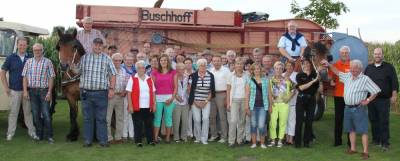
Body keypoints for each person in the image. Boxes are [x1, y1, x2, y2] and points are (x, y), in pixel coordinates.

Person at [322, 59, 380, 160]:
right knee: (351, 129)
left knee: (363, 131)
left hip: (359, 108)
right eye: (352, 68)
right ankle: (353, 149)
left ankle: (365, 152)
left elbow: (376, 90)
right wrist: (329, 64)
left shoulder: (365, 79)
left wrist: (368, 100)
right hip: (347, 108)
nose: (353, 70)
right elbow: (337, 72)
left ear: (360, 69)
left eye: (355, 68)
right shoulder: (348, 75)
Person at [80, 38, 116, 147]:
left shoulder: (107, 59)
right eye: (96, 45)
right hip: (86, 92)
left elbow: (113, 75)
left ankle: (103, 141)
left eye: (100, 45)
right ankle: (88, 141)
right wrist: (71, 66)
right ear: (92, 45)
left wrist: (111, 89)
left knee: (101, 118)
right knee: (87, 118)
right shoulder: (84, 57)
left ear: (102, 47)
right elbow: (77, 71)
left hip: (101, 93)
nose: (98, 47)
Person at [0, 37, 38, 141]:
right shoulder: (11, 58)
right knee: (13, 112)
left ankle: (32, 132)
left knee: (28, 113)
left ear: (27, 46)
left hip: (28, 90)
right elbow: (2, 72)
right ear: (17, 45)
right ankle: (10, 133)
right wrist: (6, 87)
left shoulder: (31, 57)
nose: (22, 47)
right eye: (20, 45)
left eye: (24, 45)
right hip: (15, 90)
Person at [364, 48, 398, 151]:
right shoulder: (369, 68)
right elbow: (364, 82)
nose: (377, 56)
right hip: (371, 99)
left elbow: (394, 82)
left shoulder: (389, 67)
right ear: (373, 55)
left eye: (379, 54)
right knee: (373, 120)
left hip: (383, 99)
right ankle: (376, 139)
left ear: (382, 55)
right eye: (375, 54)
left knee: (383, 121)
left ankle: (385, 142)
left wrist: (394, 95)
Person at [22, 43, 55, 143]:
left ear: (42, 50)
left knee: (46, 114)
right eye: (35, 50)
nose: (37, 52)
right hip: (32, 91)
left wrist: (49, 92)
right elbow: (25, 77)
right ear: (33, 51)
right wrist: (25, 91)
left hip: (44, 91)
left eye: (39, 50)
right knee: (35, 115)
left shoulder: (48, 62)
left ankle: (49, 136)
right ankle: (39, 135)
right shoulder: (28, 62)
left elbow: (51, 77)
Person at [126, 60, 156, 147]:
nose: (141, 69)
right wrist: (130, 105)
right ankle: (138, 141)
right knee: (137, 124)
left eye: (142, 67)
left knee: (149, 125)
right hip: (136, 106)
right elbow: (128, 93)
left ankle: (150, 140)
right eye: (139, 68)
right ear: (136, 69)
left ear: (145, 69)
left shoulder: (149, 79)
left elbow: (153, 92)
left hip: (148, 106)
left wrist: (154, 104)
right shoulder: (132, 78)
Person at [188, 58, 216, 144]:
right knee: (196, 120)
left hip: (206, 101)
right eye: (201, 65)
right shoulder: (192, 76)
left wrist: (206, 101)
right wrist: (195, 101)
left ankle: (204, 138)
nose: (203, 67)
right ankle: (198, 137)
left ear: (206, 66)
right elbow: (189, 89)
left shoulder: (211, 75)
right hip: (195, 101)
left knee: (205, 119)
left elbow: (212, 90)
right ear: (197, 66)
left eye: (204, 65)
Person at [151, 54, 177, 143]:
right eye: (161, 60)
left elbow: (176, 87)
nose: (163, 62)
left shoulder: (173, 72)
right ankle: (155, 138)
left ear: (168, 61)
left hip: (169, 98)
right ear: (159, 62)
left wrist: (172, 98)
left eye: (165, 60)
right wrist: (154, 100)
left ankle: (167, 138)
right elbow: (152, 87)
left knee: (168, 118)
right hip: (157, 98)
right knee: (157, 118)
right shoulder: (155, 72)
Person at [295, 59, 320, 148]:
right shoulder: (299, 75)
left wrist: (318, 79)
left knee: (309, 122)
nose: (306, 65)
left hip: (311, 100)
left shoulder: (315, 75)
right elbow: (301, 88)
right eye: (304, 64)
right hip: (301, 99)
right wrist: (313, 81)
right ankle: (297, 143)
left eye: (307, 63)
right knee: (299, 121)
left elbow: (317, 89)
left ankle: (306, 142)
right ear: (302, 65)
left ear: (310, 64)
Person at [245, 63, 271, 149]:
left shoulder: (266, 80)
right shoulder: (249, 80)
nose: (257, 70)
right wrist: (246, 107)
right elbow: (247, 94)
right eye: (255, 69)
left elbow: (269, 94)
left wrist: (270, 106)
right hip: (252, 106)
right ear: (252, 70)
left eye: (258, 69)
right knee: (253, 125)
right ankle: (254, 143)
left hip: (263, 106)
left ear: (261, 70)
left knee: (261, 125)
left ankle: (262, 143)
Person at [329, 46, 351, 147]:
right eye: (343, 53)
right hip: (338, 95)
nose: (344, 54)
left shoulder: (353, 65)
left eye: (346, 53)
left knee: (350, 118)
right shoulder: (335, 65)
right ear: (340, 54)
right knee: (338, 119)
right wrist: (331, 81)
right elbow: (330, 77)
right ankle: (337, 141)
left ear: (349, 54)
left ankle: (350, 142)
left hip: (350, 96)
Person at [268, 61, 294, 148]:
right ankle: (272, 139)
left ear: (283, 69)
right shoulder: (271, 80)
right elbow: (269, 93)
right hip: (274, 104)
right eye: (276, 68)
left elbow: (294, 88)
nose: (278, 70)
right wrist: (270, 104)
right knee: (273, 122)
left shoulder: (286, 79)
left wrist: (289, 98)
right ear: (274, 69)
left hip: (284, 104)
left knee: (282, 123)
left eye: (280, 68)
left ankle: (280, 140)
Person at [226, 57, 249, 147]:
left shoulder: (246, 75)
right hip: (234, 100)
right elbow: (228, 90)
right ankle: (231, 141)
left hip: (243, 100)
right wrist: (228, 103)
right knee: (233, 120)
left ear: (243, 65)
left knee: (242, 121)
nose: (239, 65)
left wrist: (247, 103)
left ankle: (239, 140)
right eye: (237, 64)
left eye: (241, 64)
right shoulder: (230, 75)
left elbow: (247, 90)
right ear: (234, 65)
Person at [107, 53, 128, 144]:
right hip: (110, 97)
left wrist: (125, 91)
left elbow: (126, 84)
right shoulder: (108, 70)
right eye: (115, 60)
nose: (117, 62)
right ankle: (108, 138)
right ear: (112, 61)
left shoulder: (124, 71)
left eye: (119, 60)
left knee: (120, 117)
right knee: (107, 118)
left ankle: (118, 137)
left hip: (120, 97)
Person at [209, 56, 231, 143]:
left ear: (221, 61)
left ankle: (224, 136)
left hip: (222, 94)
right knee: (212, 116)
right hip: (212, 95)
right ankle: (214, 135)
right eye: (214, 61)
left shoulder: (226, 71)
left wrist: (227, 98)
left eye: (218, 61)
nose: (216, 62)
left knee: (222, 117)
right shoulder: (210, 70)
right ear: (212, 62)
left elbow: (229, 84)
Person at [172, 63, 190, 142]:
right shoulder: (174, 77)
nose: (181, 71)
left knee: (185, 120)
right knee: (176, 120)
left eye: (183, 69)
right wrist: (176, 96)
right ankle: (176, 137)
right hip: (176, 101)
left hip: (185, 101)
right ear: (176, 69)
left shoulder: (188, 77)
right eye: (180, 69)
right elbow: (171, 88)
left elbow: (189, 88)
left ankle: (184, 136)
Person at [121, 52, 135, 141]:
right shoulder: (121, 68)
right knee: (125, 115)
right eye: (127, 60)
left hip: (133, 95)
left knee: (132, 114)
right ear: (124, 60)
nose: (129, 62)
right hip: (124, 94)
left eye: (131, 60)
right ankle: (124, 134)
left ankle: (132, 134)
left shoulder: (136, 69)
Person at [283, 62, 298, 145]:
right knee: (284, 120)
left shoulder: (296, 75)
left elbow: (296, 87)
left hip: (293, 102)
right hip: (283, 102)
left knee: (292, 121)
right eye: (287, 66)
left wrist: (289, 80)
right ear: (285, 67)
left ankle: (291, 139)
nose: (289, 67)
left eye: (291, 66)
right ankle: (286, 138)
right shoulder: (282, 74)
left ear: (293, 67)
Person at [184, 58, 195, 138]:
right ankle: (189, 132)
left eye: (189, 63)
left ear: (192, 64)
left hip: (195, 96)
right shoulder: (182, 74)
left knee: (196, 116)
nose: (188, 64)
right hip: (185, 97)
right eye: (186, 63)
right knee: (188, 116)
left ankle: (196, 132)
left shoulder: (195, 73)